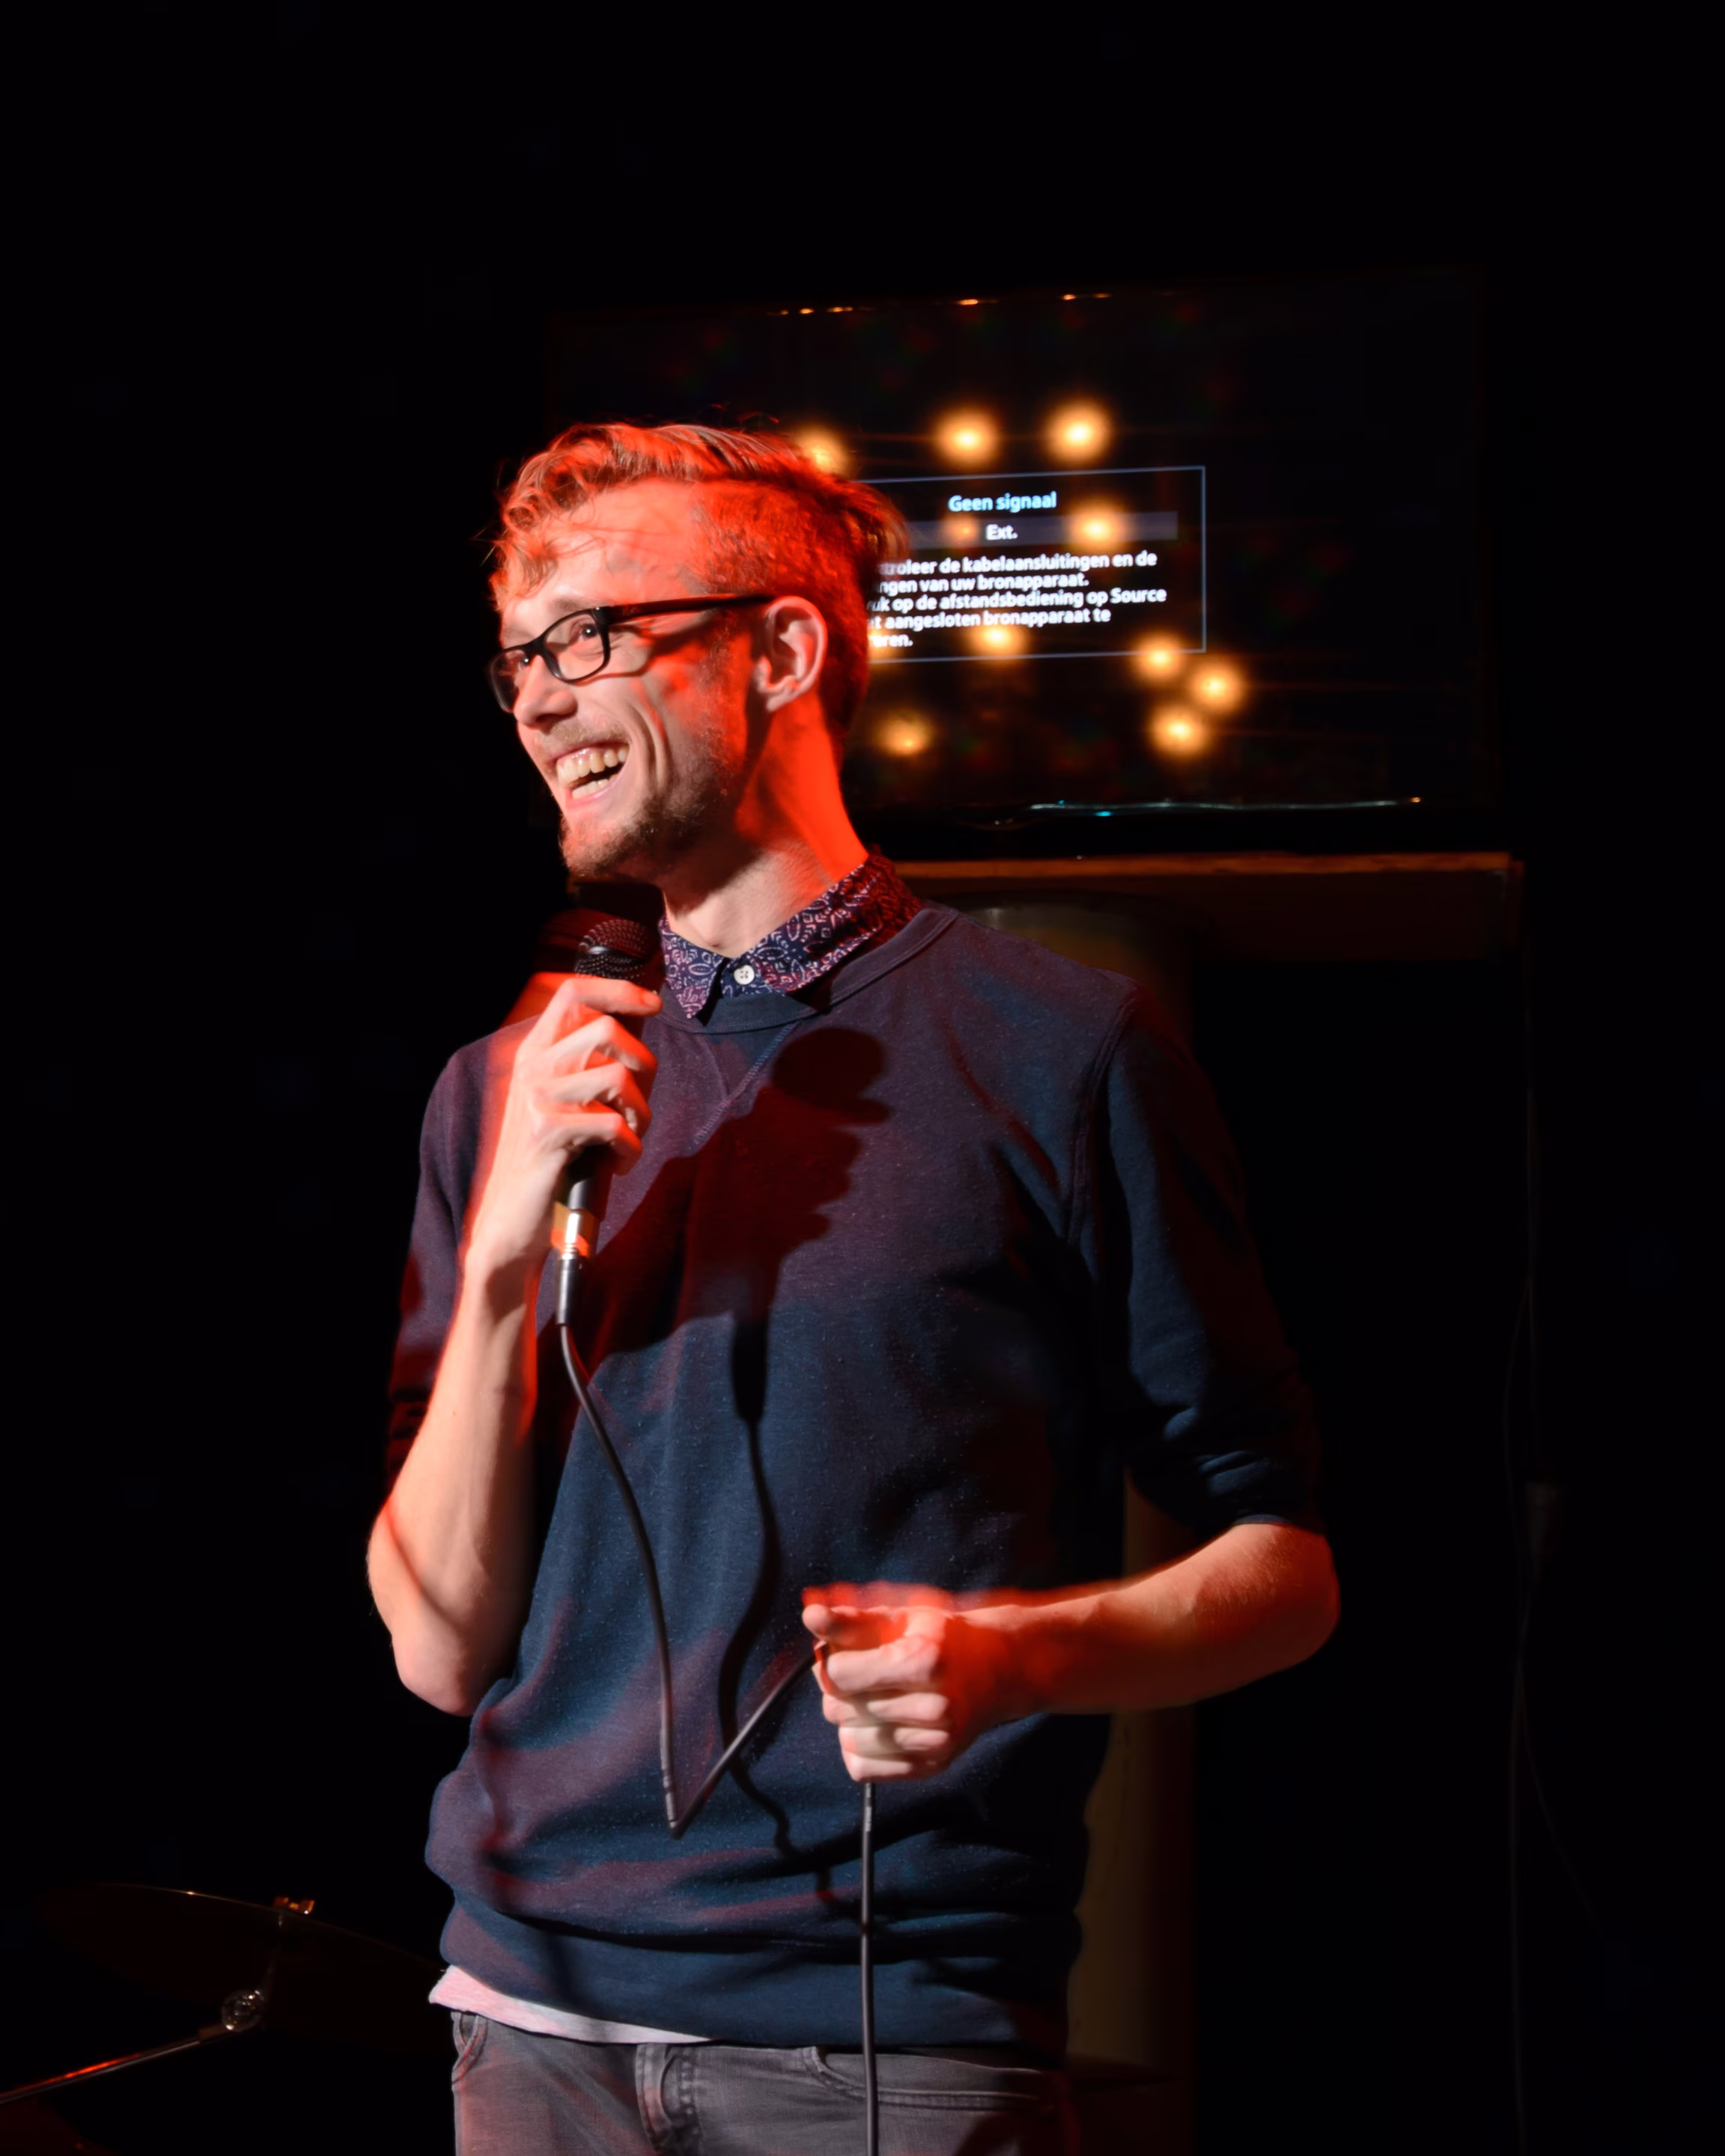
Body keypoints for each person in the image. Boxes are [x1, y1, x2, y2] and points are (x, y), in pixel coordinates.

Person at [368, 423, 1339, 2154]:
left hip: (883, 2036)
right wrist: (504, 1252)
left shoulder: (1063, 1050)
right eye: (519, 657)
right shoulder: (501, 1090)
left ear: (784, 652)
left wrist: (1019, 1655)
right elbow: (439, 1650)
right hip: (525, 2024)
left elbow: (1287, 1572)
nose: (540, 696)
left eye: (593, 636)